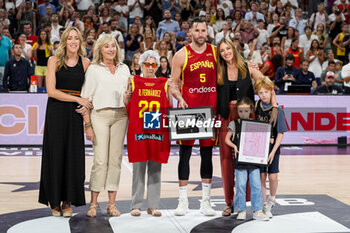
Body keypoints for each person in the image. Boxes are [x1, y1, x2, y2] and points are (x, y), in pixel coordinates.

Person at [216, 38, 278, 216]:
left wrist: (274, 106)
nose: (226, 52)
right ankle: (230, 203)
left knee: (251, 159)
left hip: (248, 116)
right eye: (222, 51)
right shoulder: (218, 70)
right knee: (227, 160)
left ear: (234, 49)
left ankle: (251, 203)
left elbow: (267, 85)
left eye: (228, 48)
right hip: (227, 116)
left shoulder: (248, 67)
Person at [39, 27, 92, 217]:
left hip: (75, 115)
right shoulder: (53, 60)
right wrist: (78, 99)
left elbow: (89, 93)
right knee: (56, 155)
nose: (73, 41)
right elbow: (51, 91)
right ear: (64, 41)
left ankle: (67, 201)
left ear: (80, 41)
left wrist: (86, 109)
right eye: (69, 38)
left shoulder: (86, 63)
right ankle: (54, 202)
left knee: (72, 156)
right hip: (56, 112)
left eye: (76, 38)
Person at [170, 17, 217, 216]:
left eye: (203, 30)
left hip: (209, 111)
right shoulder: (181, 55)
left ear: (207, 32)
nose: (200, 34)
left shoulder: (216, 52)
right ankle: (182, 201)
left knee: (207, 156)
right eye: (196, 30)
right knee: (185, 156)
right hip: (187, 110)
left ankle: (205, 201)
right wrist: (179, 97)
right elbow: (173, 83)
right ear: (190, 32)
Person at [80, 34, 130, 217]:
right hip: (99, 115)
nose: (111, 49)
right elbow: (85, 99)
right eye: (107, 46)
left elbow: (129, 95)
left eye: (113, 46)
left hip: (121, 116)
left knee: (115, 160)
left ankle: (111, 204)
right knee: (100, 161)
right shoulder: (93, 69)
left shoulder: (125, 68)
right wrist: (87, 125)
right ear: (99, 49)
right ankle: (93, 204)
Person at [124, 50, 172, 217]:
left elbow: (170, 105)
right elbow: (127, 105)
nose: (150, 68)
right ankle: (135, 205)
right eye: (147, 64)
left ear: (157, 66)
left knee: (155, 168)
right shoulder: (133, 81)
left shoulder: (165, 83)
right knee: (138, 168)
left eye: (153, 65)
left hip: (157, 129)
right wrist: (127, 94)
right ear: (141, 65)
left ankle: (153, 205)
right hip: (139, 129)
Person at [224, 97, 269, 221]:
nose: (243, 114)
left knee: (256, 185)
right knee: (240, 185)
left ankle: (258, 210)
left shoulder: (257, 125)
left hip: (254, 161)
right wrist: (234, 146)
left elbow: (261, 140)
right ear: (237, 111)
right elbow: (226, 139)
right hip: (240, 161)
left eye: (245, 111)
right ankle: (241, 210)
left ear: (251, 111)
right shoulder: (234, 124)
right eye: (240, 111)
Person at [254, 77, 288, 218]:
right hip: (259, 147)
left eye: (266, 92)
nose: (263, 95)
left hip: (273, 148)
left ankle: (272, 198)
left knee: (272, 176)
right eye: (260, 92)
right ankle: (263, 204)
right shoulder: (256, 106)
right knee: (261, 176)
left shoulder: (278, 109)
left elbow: (280, 133)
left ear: (272, 92)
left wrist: (273, 151)